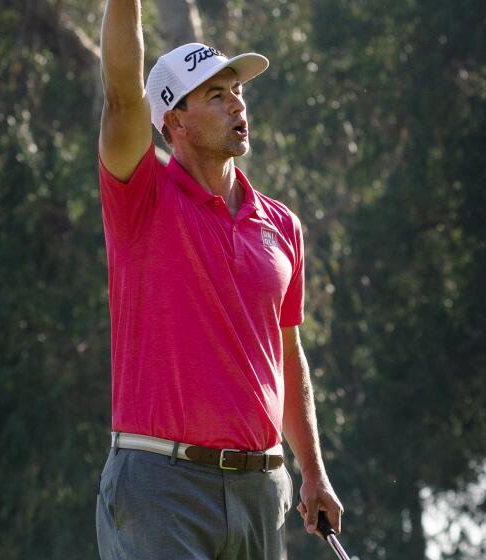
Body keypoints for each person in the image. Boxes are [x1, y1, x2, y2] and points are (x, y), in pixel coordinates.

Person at [95, 1, 343, 558]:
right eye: (215, 94)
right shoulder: (142, 194)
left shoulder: (281, 225)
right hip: (161, 485)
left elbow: (285, 353)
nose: (238, 104)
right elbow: (119, 91)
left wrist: (312, 471)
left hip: (261, 489)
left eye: (237, 91)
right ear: (174, 121)